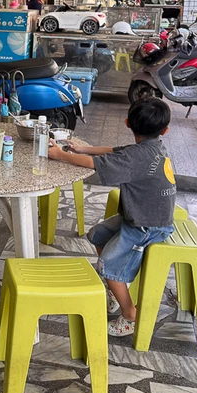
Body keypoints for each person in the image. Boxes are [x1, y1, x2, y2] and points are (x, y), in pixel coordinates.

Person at [49, 98, 177, 336]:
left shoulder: (137, 157)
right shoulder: (151, 147)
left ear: (127, 123)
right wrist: (81, 148)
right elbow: (114, 152)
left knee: (107, 264)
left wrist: (60, 155)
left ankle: (130, 315)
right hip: (143, 216)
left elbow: (99, 164)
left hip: (147, 225)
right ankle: (114, 289)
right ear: (165, 130)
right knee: (97, 235)